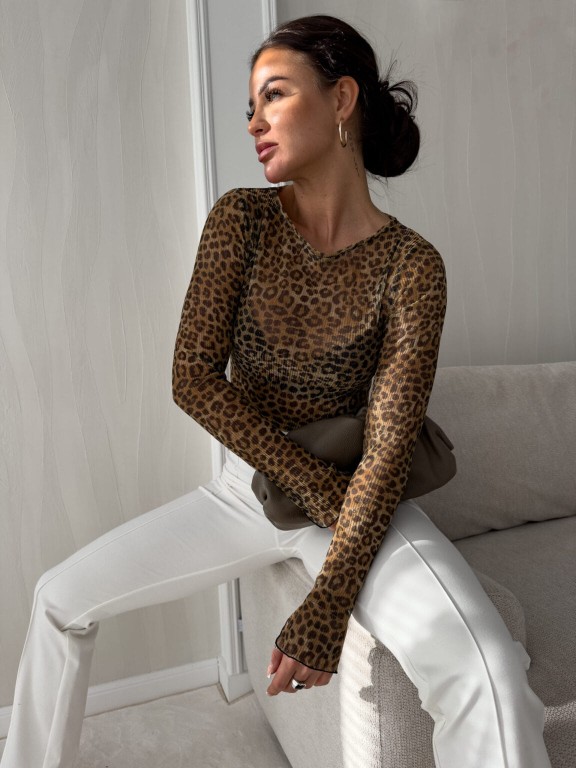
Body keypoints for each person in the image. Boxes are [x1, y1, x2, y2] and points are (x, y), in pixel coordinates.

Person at [0, 14, 551, 768]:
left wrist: (329, 599)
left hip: (359, 500)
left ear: (342, 99)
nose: (254, 121)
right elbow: (193, 377)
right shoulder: (243, 219)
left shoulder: (412, 265)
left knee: (484, 666)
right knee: (58, 599)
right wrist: (310, 485)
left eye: (275, 95)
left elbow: (389, 447)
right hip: (249, 489)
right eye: (249, 105)